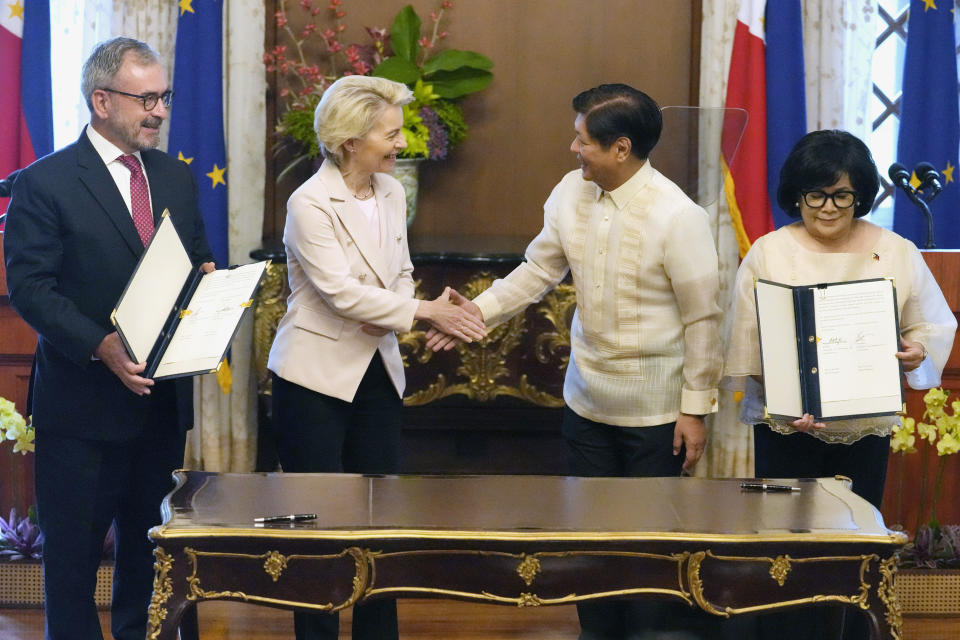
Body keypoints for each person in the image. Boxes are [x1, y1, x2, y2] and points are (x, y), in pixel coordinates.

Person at [428, 83, 725, 640]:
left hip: (656, 415)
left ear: (621, 148)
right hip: (586, 401)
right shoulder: (569, 192)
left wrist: (695, 410)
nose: (573, 149)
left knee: (647, 547)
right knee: (589, 539)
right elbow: (537, 271)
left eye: (583, 141)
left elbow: (704, 320)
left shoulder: (678, 216)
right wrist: (477, 315)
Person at [3, 37, 215, 640]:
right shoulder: (44, 183)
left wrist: (210, 285)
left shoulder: (174, 178)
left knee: (149, 554)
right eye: (146, 98)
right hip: (82, 405)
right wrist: (102, 345)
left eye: (164, 96)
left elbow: (197, 259)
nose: (160, 110)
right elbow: (32, 289)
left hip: (160, 401)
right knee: (72, 564)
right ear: (102, 100)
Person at [266, 75, 486, 640]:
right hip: (313, 379)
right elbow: (339, 293)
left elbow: (401, 269)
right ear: (349, 141)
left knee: (378, 521)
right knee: (316, 524)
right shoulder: (308, 202)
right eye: (390, 134)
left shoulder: (390, 191)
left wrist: (397, 305)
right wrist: (419, 312)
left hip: (377, 373)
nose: (400, 144)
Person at [724, 129, 956, 639]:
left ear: (861, 196)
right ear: (796, 194)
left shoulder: (895, 250)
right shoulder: (768, 251)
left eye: (842, 195)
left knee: (854, 547)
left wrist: (916, 350)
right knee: (784, 548)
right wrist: (785, 400)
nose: (827, 208)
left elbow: (930, 326)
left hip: (862, 427)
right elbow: (745, 341)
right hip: (788, 428)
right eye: (815, 194)